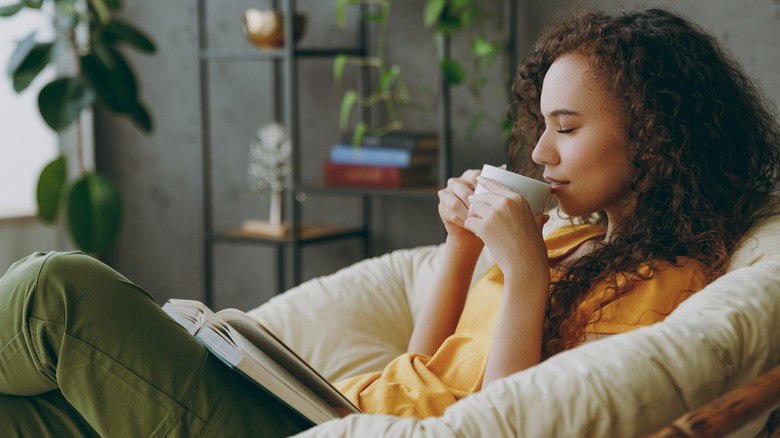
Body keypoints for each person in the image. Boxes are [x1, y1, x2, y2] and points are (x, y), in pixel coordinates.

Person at [1, 7, 778, 437]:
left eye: (567, 128)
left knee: (56, 290)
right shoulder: (577, 236)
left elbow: (510, 424)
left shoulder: (662, 283)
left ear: (655, 135)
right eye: (541, 124)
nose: (539, 151)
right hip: (335, 409)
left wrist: (527, 276)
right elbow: (425, 364)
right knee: (29, 413)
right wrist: (463, 248)